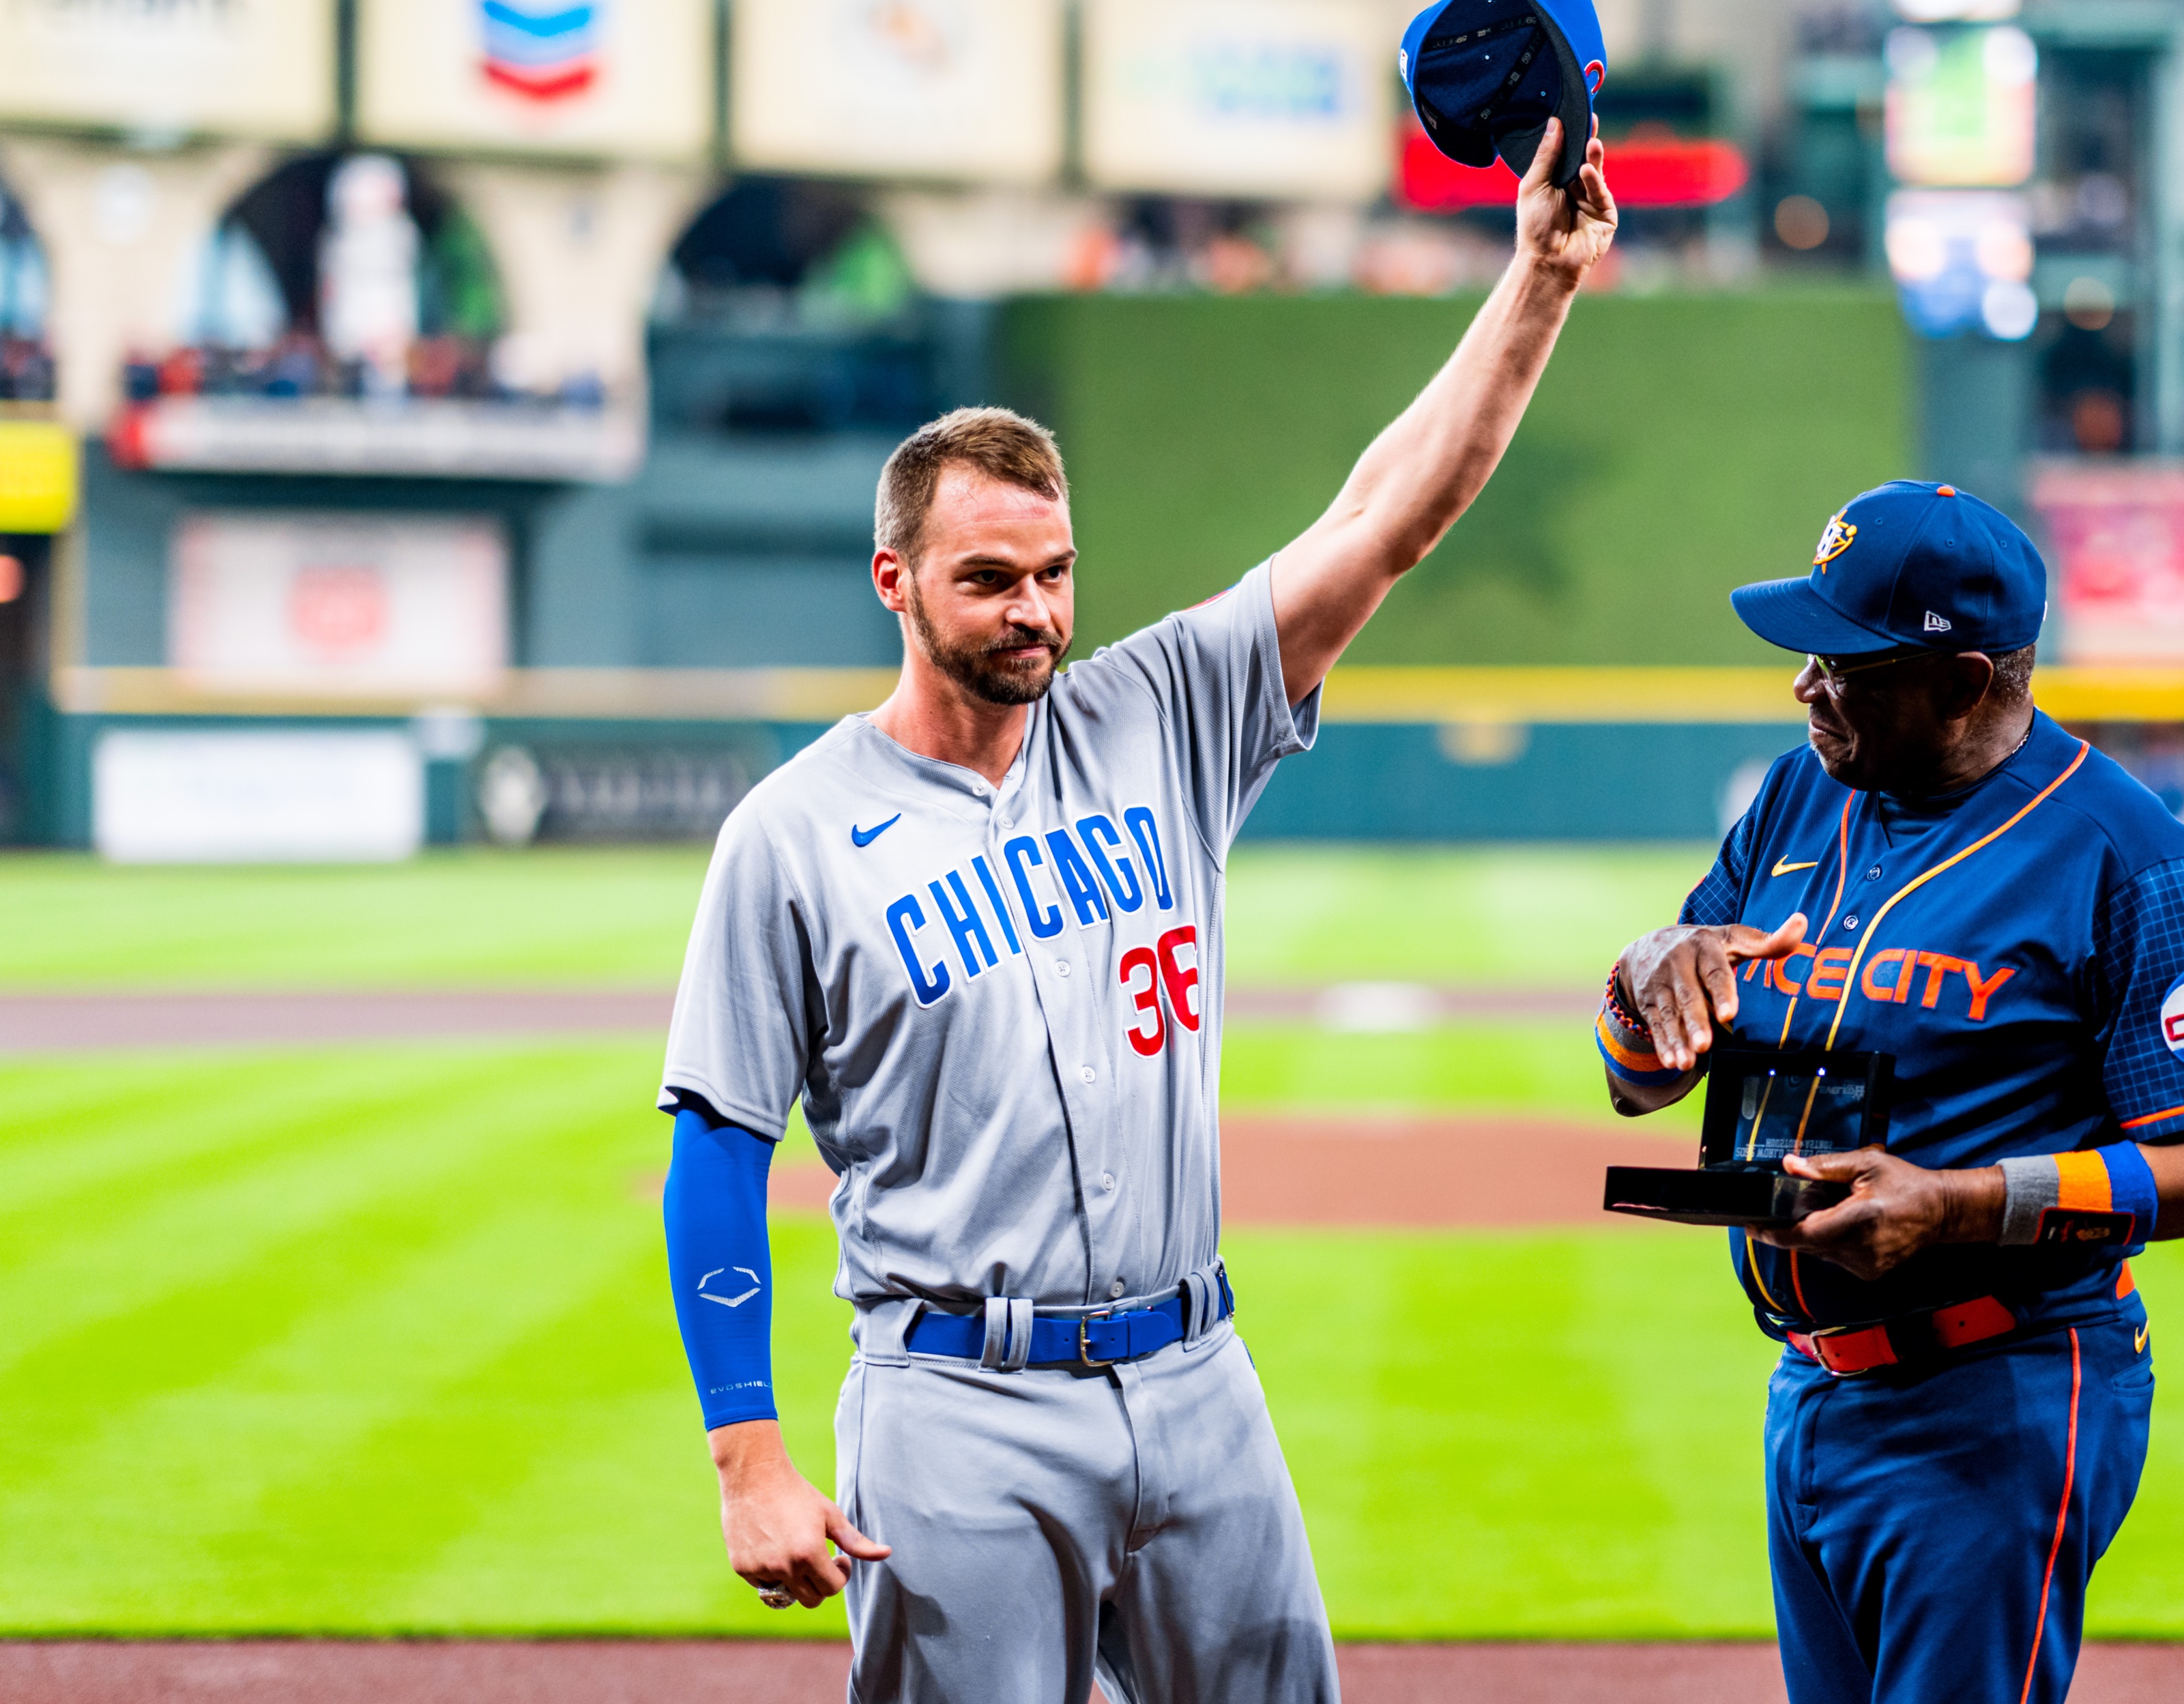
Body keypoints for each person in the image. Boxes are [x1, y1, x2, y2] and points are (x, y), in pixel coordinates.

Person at [658, 117, 1615, 1703]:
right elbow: (716, 1140)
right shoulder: (796, 834)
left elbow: (1389, 514)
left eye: (1053, 570)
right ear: (894, 582)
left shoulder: (1158, 711)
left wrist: (1536, 282)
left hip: (1194, 1377)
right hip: (954, 1403)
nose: (1033, 608)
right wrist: (745, 1454)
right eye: (988, 578)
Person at [1597, 479, 2184, 1704]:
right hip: (1812, 1388)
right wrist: (1643, 977)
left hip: (1995, 1400)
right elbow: (1643, 1078)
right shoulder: (1799, 797)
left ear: (1970, 681)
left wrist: (1957, 1206)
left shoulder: (2129, 863)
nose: (1808, 688)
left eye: (1846, 664)